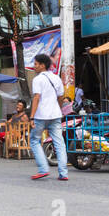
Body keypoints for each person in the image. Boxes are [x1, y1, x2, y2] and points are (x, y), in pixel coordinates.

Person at [28, 52, 68, 181]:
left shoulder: (37, 79)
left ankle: (43, 169)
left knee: (34, 141)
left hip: (41, 116)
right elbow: (61, 97)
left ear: (42, 65)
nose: (34, 67)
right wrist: (59, 110)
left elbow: (36, 98)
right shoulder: (56, 78)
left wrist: (32, 117)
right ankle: (63, 173)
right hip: (55, 115)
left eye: (36, 64)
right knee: (59, 143)